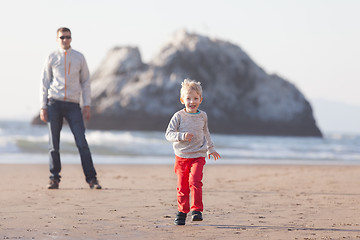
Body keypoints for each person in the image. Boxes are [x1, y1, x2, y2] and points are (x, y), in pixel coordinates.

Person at [40, 27, 101, 190]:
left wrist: (86, 104)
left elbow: (86, 82)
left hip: (74, 104)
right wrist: (43, 106)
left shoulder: (79, 57)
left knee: (81, 142)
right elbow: (45, 82)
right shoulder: (52, 57)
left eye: (67, 37)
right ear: (57, 39)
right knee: (54, 144)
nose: (65, 40)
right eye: (62, 37)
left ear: (71, 39)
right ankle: (54, 178)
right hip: (54, 103)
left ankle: (92, 179)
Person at [165, 79, 221, 225]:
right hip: (182, 156)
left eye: (195, 98)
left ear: (200, 99)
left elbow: (206, 132)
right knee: (182, 186)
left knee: (195, 181)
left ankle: (196, 210)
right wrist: (181, 136)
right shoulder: (178, 116)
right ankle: (182, 212)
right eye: (188, 98)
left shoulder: (203, 116)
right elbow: (168, 134)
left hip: (198, 154)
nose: (192, 101)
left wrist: (211, 148)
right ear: (182, 100)